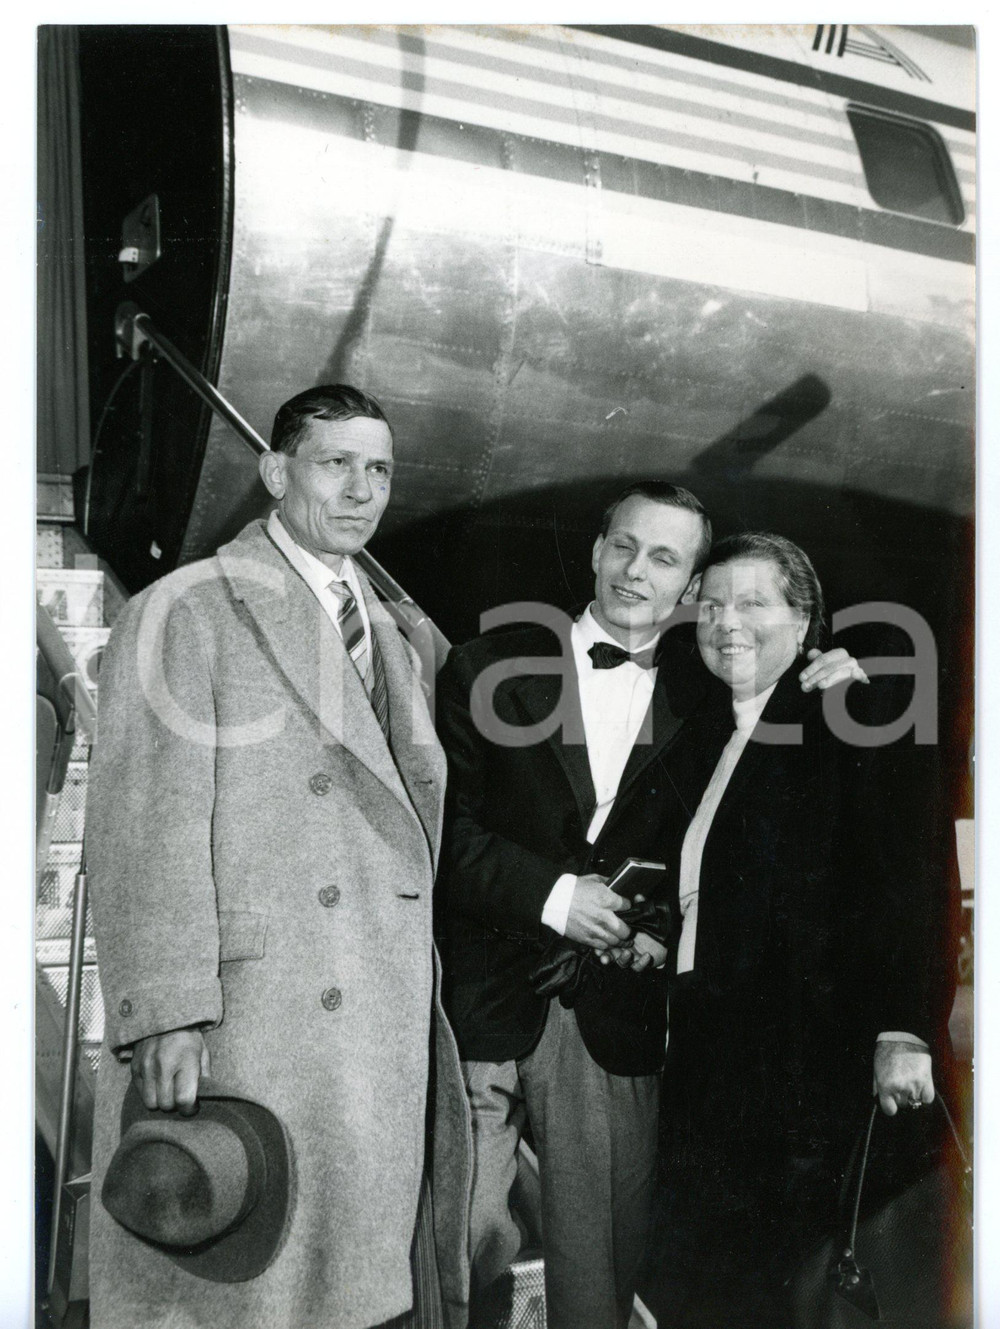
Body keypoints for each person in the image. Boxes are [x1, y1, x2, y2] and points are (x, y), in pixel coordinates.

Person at [86, 385, 472, 1329]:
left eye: (378, 469)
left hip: (369, 1010)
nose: (361, 490)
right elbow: (144, 821)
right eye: (335, 463)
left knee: (350, 1293)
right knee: (250, 1292)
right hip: (253, 1018)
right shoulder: (189, 606)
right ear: (275, 471)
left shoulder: (393, 630)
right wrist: (165, 1008)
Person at [434, 486, 861, 1329]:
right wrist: (557, 897)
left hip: (614, 1021)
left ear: (691, 585)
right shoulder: (486, 664)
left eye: (666, 558)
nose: (637, 570)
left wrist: (835, 672)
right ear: (595, 551)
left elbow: (740, 836)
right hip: (481, 1011)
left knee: (599, 1274)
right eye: (624, 546)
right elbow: (443, 832)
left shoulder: (714, 699)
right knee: (458, 1241)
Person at [636, 532, 958, 1329]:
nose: (726, 622)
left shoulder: (851, 704)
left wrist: (904, 1027)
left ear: (805, 619)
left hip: (813, 1070)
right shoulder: (713, 732)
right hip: (715, 1066)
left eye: (753, 603)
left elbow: (910, 876)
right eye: (711, 604)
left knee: (801, 1286)